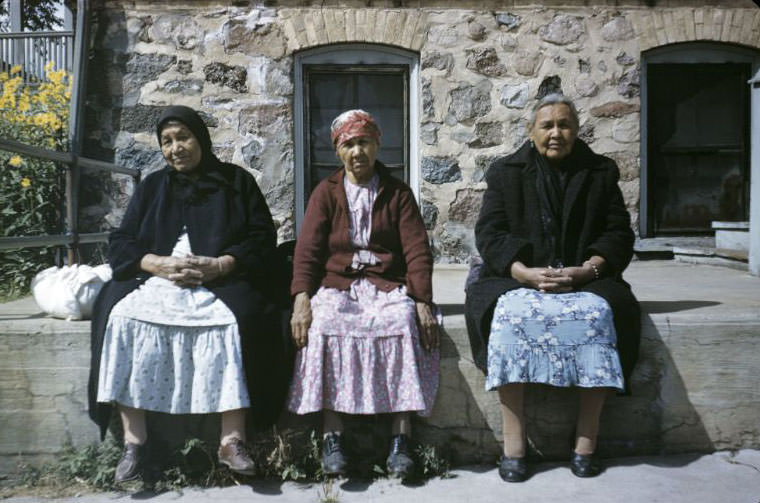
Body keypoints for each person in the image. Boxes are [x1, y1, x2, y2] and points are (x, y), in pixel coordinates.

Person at [88, 105, 288, 482]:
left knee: (236, 321)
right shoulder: (152, 187)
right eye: (167, 141)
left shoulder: (236, 182)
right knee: (122, 317)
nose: (175, 148)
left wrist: (222, 265)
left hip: (220, 280)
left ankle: (232, 440)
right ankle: (135, 443)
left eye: (183, 138)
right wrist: (155, 263)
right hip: (157, 280)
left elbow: (262, 238)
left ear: (201, 139)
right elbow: (122, 241)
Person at [465, 94, 640, 481]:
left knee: (601, 315)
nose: (556, 132)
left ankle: (586, 441)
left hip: (584, 279)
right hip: (519, 278)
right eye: (547, 125)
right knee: (506, 317)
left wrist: (589, 270)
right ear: (531, 132)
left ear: (577, 131)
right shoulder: (505, 172)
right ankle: (514, 445)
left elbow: (618, 233)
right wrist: (522, 272)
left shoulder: (600, 171)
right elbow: (490, 233)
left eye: (565, 125)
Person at [287, 109, 440, 479]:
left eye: (364, 143)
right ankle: (332, 435)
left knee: (402, 323)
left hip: (386, 284)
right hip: (339, 284)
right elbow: (307, 250)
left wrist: (421, 300)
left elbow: (417, 249)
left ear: (377, 145)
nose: (358, 152)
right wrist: (301, 298)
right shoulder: (326, 193)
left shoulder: (398, 193)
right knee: (324, 324)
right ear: (339, 151)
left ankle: (401, 438)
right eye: (350, 144)